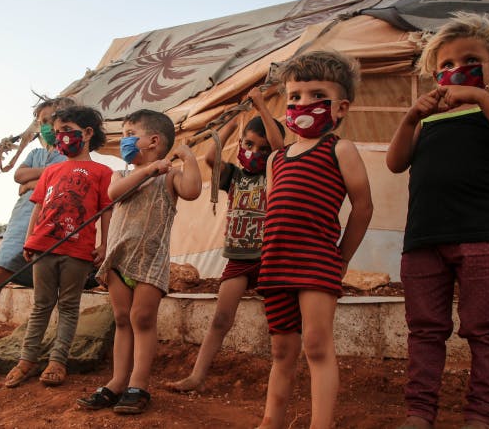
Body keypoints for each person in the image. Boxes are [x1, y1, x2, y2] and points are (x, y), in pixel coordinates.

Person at [386, 12, 489, 429]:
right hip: (422, 240)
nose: (455, 71)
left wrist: (482, 98)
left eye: (468, 61)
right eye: (446, 66)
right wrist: (410, 118)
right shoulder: (428, 118)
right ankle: (419, 414)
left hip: (481, 237)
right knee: (424, 331)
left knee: (486, 330)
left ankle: (482, 416)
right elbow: (396, 163)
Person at [257, 50, 373, 429]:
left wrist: (341, 259)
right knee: (281, 350)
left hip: (317, 261)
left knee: (318, 346)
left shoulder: (340, 149)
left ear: (340, 108)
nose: (302, 103)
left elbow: (363, 207)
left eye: (315, 96)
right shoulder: (277, 159)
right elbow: (274, 208)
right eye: (294, 96)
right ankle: (271, 421)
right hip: (275, 263)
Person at [76, 109, 201, 414]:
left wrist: (189, 159)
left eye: (131, 134)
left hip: (150, 262)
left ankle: (139, 383)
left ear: (154, 141)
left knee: (142, 320)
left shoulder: (171, 176)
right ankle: (117, 381)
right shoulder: (123, 174)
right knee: (122, 320)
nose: (125, 141)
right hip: (119, 261)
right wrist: (147, 170)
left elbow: (193, 191)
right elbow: (115, 194)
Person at [166, 85, 285, 393]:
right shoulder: (234, 175)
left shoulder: (275, 172)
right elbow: (209, 155)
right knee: (220, 319)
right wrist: (236, 118)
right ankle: (196, 376)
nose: (255, 152)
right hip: (239, 259)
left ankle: (280, 382)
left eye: (262, 149)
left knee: (281, 327)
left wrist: (261, 107)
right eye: (248, 145)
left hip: (271, 258)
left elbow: (279, 147)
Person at [3, 105, 113, 388]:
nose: (61, 136)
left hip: (79, 250)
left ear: (87, 133)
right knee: (41, 305)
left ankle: (57, 360)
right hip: (43, 247)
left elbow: (106, 211)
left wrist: (105, 244)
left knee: (68, 305)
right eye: (59, 131)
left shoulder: (102, 172)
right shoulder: (51, 171)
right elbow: (39, 206)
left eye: (68, 131)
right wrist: (30, 239)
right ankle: (26, 360)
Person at [0, 96, 74, 364]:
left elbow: (52, 178)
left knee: (54, 277)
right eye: (42, 122)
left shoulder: (72, 153)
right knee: (0, 268)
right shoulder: (36, 153)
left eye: (51, 121)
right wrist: (45, 177)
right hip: (24, 216)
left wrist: (35, 181)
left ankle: (47, 347)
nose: (46, 127)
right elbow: (18, 178)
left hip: (56, 215)